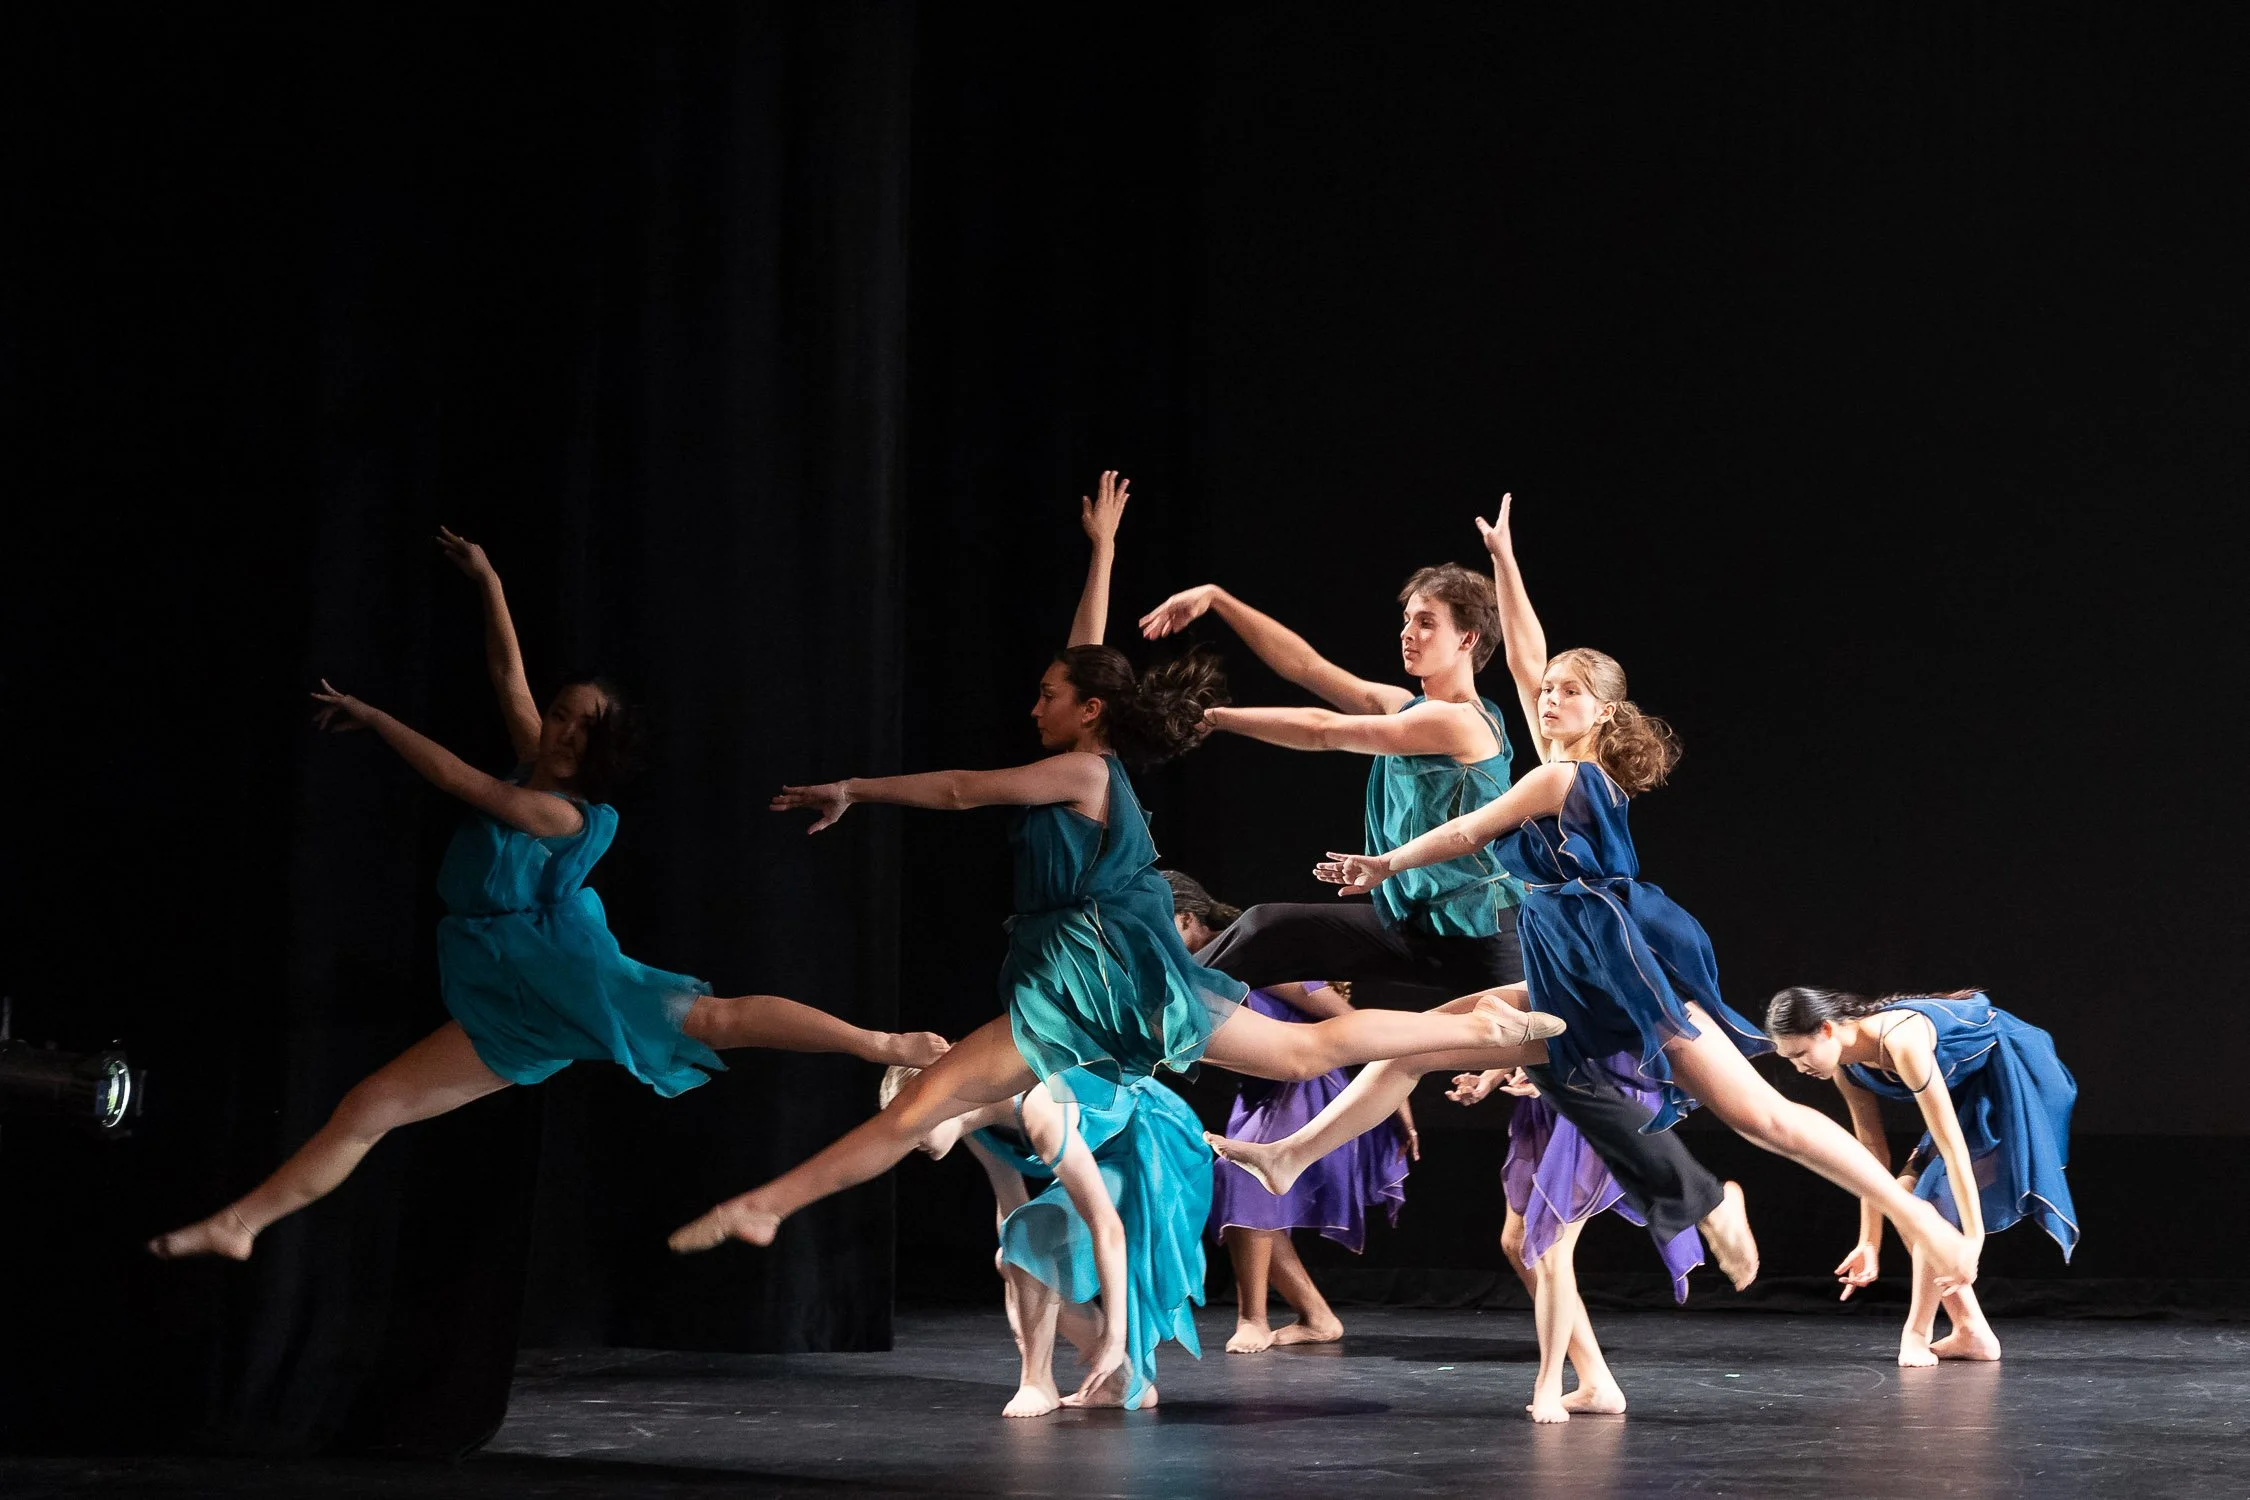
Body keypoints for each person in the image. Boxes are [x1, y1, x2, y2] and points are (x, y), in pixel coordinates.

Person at [668, 474, 1554, 1256]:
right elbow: (1164, 667)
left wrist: (857, 788)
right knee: (1277, 1004)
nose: (1034, 703)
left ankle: (1499, 1046)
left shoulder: (1088, 768)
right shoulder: (1097, 750)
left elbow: (962, 790)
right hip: (1084, 979)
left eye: (1050, 697)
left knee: (1337, 1044)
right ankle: (768, 1204)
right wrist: (1129, 563)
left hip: (1179, 965)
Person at [1222, 494, 1978, 1293]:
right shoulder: (1559, 754)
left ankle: (1920, 1223)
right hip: (1566, 974)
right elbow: (1523, 655)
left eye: (1568, 694)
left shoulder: (1564, 775)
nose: (1548, 699)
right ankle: (1290, 1154)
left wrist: (1385, 865)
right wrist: (1507, 564)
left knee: (1765, 1119)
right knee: (1412, 1043)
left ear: (1604, 711)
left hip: (1615, 972)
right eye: (1546, 692)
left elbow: (1467, 832)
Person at [149, 531, 947, 1261]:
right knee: (373, 1104)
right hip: (508, 991)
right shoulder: (537, 761)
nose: (563, 732)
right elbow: (507, 674)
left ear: (603, 746)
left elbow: (458, 779)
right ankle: (240, 1225)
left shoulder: (558, 812)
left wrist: (378, 718)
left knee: (716, 1018)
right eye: (562, 717)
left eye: (582, 728)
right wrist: (490, 581)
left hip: (562, 969)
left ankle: (886, 1044)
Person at [1140, 538, 1756, 1285]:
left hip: (1482, 935)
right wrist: (1220, 599)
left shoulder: (1464, 723)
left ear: (1467, 638)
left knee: (1572, 1076)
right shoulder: (1410, 704)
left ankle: (1698, 1198)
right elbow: (1309, 671)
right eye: (1405, 619)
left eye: (1424, 621)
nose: (1407, 633)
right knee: (1271, 927)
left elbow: (1329, 730)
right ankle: (1149, 1019)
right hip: (1407, 926)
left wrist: (1221, 718)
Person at [1767, 986, 2078, 1365]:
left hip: (2018, 1080)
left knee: (1927, 1202)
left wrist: (1972, 1242)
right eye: (1790, 1059)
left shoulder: (1903, 1041)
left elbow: (1951, 1146)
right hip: (1971, 1093)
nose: (1799, 1067)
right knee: (1904, 1191)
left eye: (1800, 1053)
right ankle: (1970, 1330)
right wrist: (1869, 1241)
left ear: (1827, 1029)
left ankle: (1917, 1333)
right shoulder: (1847, 1070)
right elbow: (1872, 1154)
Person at [1168, 870, 1411, 1353]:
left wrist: (1396, 1088)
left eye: (1160, 925)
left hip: (1302, 1086)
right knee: (1248, 1197)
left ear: (1188, 918)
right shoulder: (1195, 969)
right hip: (1258, 1092)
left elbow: (1351, 1023)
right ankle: (1317, 1317)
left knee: (1245, 1184)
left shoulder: (1252, 952)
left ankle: (1253, 1319)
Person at [892, 1061, 1210, 1412]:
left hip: (1155, 1146)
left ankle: (1042, 1381)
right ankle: (1122, 1379)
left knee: (1030, 1237)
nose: (903, 1139)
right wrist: (1017, 1282)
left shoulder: (1041, 1107)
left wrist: (1116, 1334)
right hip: (1107, 1154)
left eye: (911, 1121)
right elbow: (1012, 1209)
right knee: (1012, 1255)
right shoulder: (976, 1127)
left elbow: (1107, 1228)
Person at [1450, 1062, 1702, 1421]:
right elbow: (1531, 1021)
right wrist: (1490, 1076)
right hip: (1549, 1102)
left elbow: (1600, 1029)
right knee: (1517, 1241)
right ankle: (1595, 1381)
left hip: (1590, 1096)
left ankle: (1548, 1385)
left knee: (1551, 1247)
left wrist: (1552, 1077)